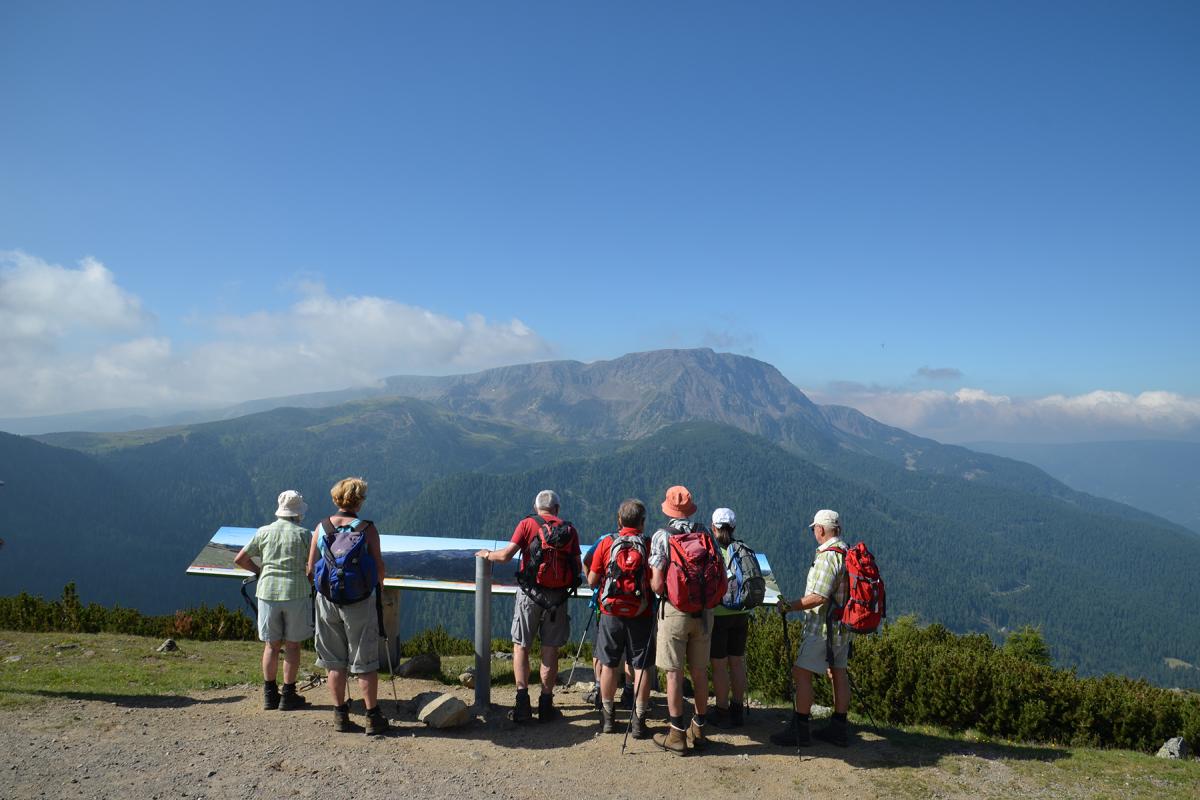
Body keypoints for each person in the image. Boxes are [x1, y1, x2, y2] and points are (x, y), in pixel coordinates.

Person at [476, 489, 582, 722]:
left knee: (521, 646)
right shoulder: (569, 530)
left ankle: (522, 703)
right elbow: (578, 566)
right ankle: (546, 704)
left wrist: (486, 554)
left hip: (529, 596)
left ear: (536, 508)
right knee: (550, 649)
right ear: (557, 509)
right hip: (557, 599)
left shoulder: (526, 524)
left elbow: (505, 556)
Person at [306, 477, 389, 735]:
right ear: (359, 501)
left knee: (334, 661)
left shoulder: (320, 528)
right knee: (364, 660)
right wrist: (378, 587)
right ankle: (372, 717)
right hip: (360, 603)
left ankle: (341, 716)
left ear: (336, 499)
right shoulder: (367, 529)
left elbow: (310, 569)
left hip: (327, 601)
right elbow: (378, 567)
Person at [649, 485, 727, 755]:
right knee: (699, 672)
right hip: (704, 613)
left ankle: (676, 734)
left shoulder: (662, 536)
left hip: (675, 612)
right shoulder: (705, 533)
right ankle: (699, 727)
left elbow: (658, 585)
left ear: (668, 509)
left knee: (673, 673)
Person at [772, 509, 852, 748]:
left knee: (801, 673)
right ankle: (839, 726)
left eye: (814, 529)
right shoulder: (847, 552)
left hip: (822, 629)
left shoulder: (828, 557)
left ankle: (801, 728)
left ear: (820, 529)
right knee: (839, 672)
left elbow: (818, 597)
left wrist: (789, 606)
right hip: (842, 627)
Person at [233, 490, 315, 712]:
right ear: (298, 512)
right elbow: (313, 566)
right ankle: (288, 695)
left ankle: (269, 695)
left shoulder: (264, 532)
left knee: (271, 644)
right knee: (293, 645)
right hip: (296, 592)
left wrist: (260, 571)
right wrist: (307, 579)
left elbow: (240, 558)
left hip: (267, 591)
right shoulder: (304, 534)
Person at [587, 498, 655, 738]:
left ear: (619, 520)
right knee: (642, 666)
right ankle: (638, 721)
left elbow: (593, 581)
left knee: (608, 664)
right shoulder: (648, 544)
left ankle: (607, 717)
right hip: (642, 613)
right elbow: (655, 584)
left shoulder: (607, 543)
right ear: (643, 523)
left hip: (610, 613)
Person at [708, 507, 748, 728]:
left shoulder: (712, 551)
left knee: (720, 665)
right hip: (742, 613)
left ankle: (722, 710)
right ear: (733, 528)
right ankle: (738, 710)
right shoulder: (743, 549)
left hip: (719, 613)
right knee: (737, 662)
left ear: (713, 527)